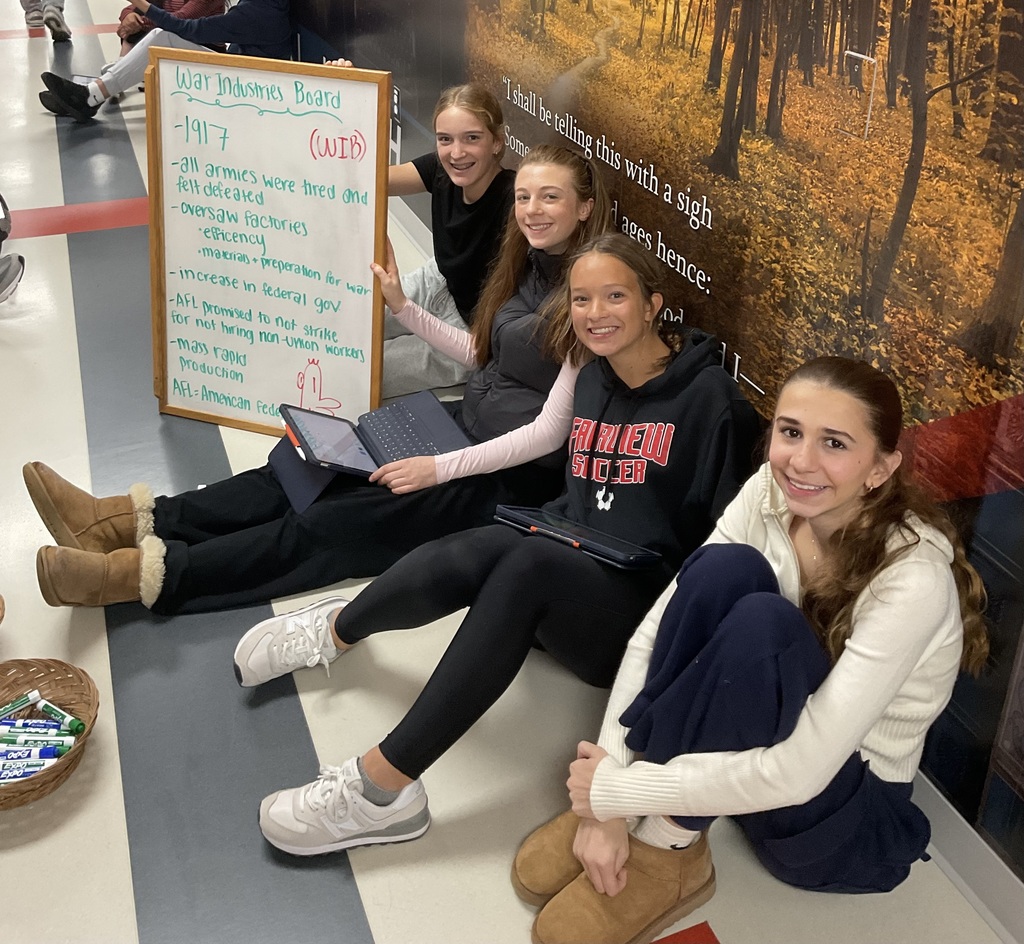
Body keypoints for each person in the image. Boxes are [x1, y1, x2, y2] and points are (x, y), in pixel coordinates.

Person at [241, 233, 760, 857]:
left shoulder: (712, 403)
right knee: (488, 543)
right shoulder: (593, 375)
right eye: (582, 299)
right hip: (571, 554)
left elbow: (719, 559)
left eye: (615, 296)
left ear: (654, 304)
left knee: (530, 561)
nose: (595, 313)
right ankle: (334, 631)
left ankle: (383, 791)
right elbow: (548, 442)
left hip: (633, 615)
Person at [510, 356, 990, 944]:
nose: (801, 462)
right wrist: (607, 791)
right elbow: (655, 634)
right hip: (761, 758)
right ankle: (641, 815)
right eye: (790, 432)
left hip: (841, 819)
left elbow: (798, 774)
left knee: (766, 624)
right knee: (722, 570)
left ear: (880, 467)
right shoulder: (771, 490)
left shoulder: (914, 579)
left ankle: (670, 849)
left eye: (834, 443)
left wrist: (614, 794)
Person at [26, 146, 610, 614]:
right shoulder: (528, 265)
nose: (532, 209)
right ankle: (119, 522)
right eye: (525, 196)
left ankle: (135, 576)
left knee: (329, 523)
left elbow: (548, 435)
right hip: (459, 424)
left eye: (550, 197)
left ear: (584, 208)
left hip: (501, 477)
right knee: (303, 462)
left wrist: (434, 469)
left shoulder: (589, 296)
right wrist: (403, 308)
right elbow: (484, 357)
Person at [378, 83, 515, 397]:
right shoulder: (441, 170)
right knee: (346, 328)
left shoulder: (515, 205)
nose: (457, 153)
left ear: (497, 142)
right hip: (439, 280)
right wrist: (347, 97)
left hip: (471, 328)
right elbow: (367, 176)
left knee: (367, 370)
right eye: (445, 139)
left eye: (472, 138)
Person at [37, 0, 295, 122]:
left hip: (250, 87)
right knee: (156, 36)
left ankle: (92, 94)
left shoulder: (259, 12)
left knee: (163, 36)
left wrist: (142, 8)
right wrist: (132, 13)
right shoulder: (259, 5)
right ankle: (99, 88)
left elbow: (187, 27)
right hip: (239, 69)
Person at [114, 0, 225, 58]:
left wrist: (139, 22)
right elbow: (134, 8)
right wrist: (128, 16)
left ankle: (119, 71)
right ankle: (121, 64)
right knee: (135, 17)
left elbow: (179, 21)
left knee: (161, 33)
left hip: (205, 48)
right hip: (177, 38)